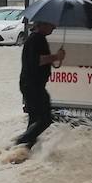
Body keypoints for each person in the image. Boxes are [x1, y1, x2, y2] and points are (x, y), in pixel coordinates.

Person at [14, 20, 65, 148]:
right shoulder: (37, 39)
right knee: (45, 119)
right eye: (51, 24)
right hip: (33, 86)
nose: (54, 26)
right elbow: (38, 60)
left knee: (34, 119)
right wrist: (56, 56)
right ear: (41, 25)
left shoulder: (36, 38)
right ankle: (20, 142)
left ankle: (24, 149)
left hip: (31, 85)